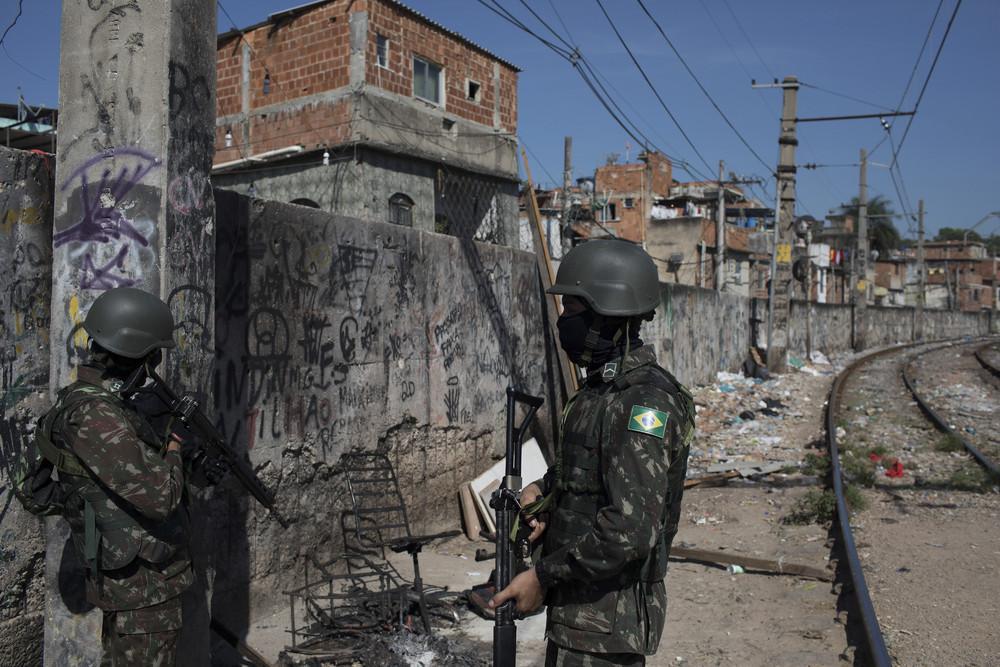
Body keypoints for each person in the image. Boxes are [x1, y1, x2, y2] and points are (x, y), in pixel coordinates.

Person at [490, 240, 695, 666]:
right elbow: (588, 474)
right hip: (579, 619)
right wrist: (545, 495)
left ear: (609, 317)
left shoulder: (643, 404)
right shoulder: (598, 393)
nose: (563, 321)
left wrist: (542, 577)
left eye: (573, 310)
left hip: (607, 629)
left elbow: (628, 530)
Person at [39, 288, 203, 666]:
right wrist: (176, 443)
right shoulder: (97, 415)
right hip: (142, 587)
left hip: (136, 580)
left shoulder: (96, 400)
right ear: (143, 355)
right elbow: (161, 497)